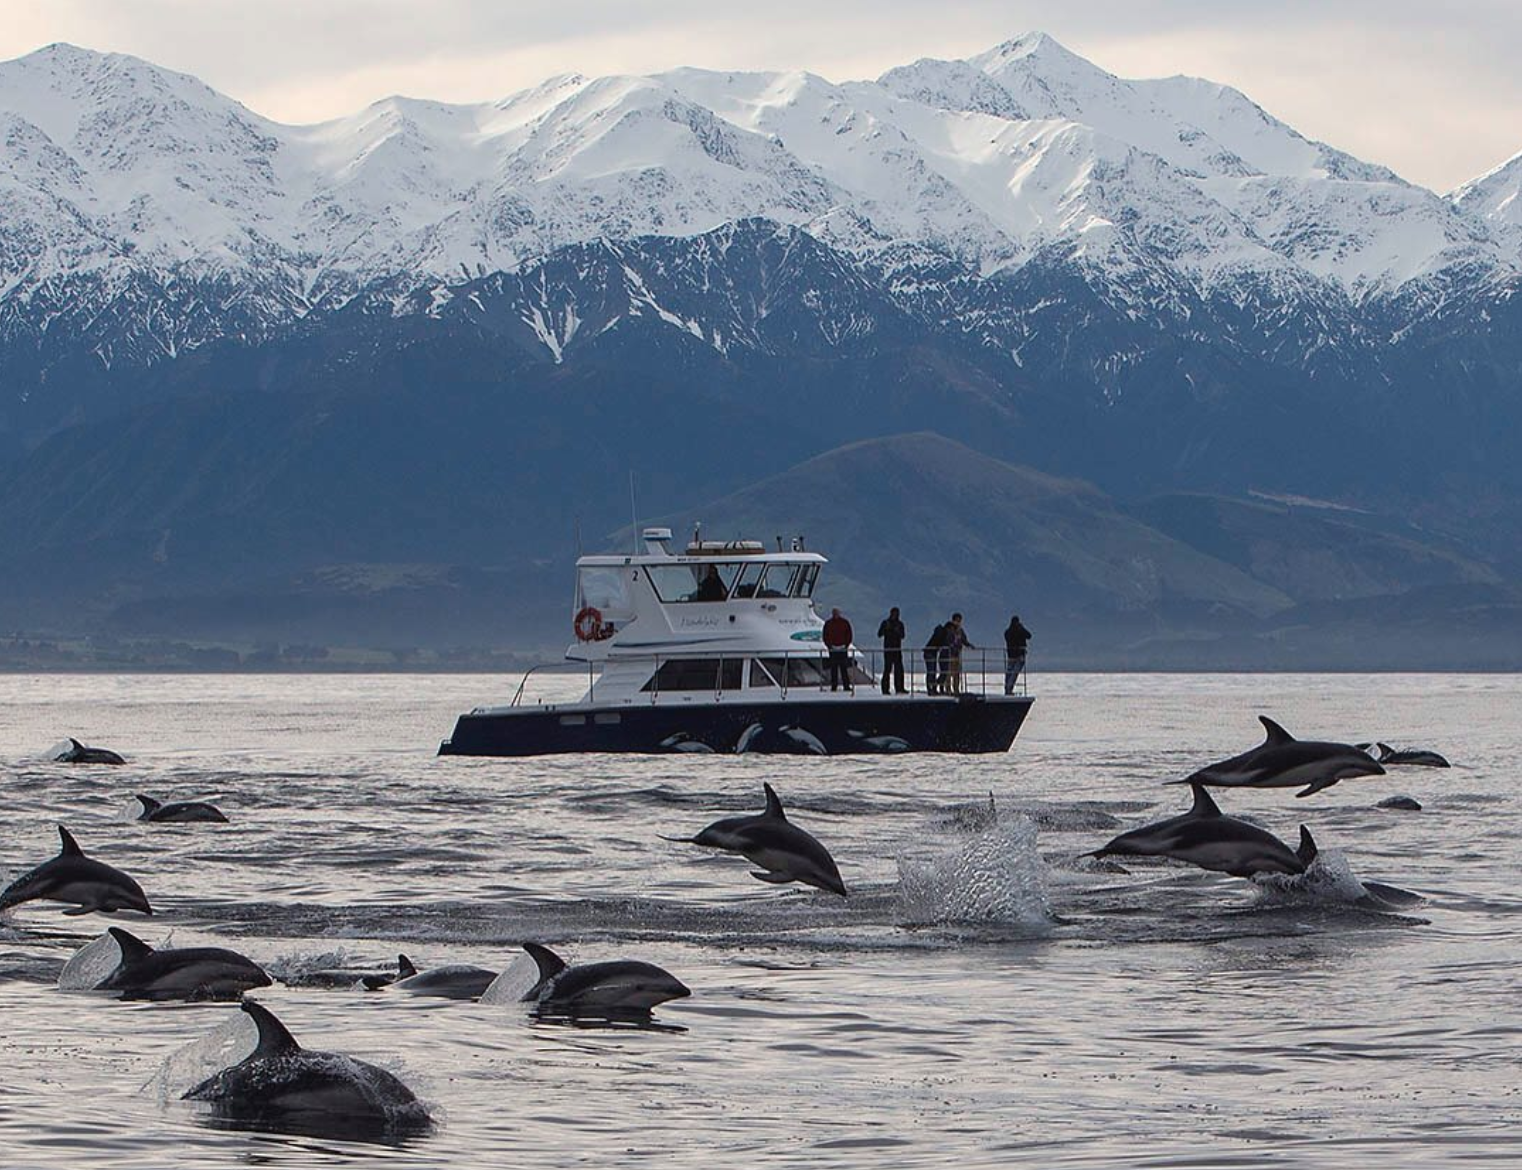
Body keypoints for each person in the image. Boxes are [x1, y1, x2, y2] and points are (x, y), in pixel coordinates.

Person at [823, 607, 854, 693]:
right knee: (834, 669)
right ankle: (834, 686)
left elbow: (849, 635)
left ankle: (846, 685)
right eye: (834, 613)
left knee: (844, 668)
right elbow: (825, 636)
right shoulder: (828, 623)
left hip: (842, 649)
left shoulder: (845, 623)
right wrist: (829, 646)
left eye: (836, 613)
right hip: (833, 649)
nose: (835, 614)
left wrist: (846, 645)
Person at [877, 607, 906, 695]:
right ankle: (885, 689)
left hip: (897, 650)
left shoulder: (900, 624)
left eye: (897, 614)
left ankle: (900, 688)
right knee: (887, 670)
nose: (895, 615)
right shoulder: (885, 623)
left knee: (899, 670)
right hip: (888, 650)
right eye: (894, 614)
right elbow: (879, 634)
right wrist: (885, 629)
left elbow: (903, 636)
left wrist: (898, 632)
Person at [943, 613, 973, 695]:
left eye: (960, 621)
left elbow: (964, 640)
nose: (959, 622)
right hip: (949, 654)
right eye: (957, 620)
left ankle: (956, 689)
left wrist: (969, 645)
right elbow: (946, 640)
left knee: (957, 673)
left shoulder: (960, 630)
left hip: (957, 654)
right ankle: (948, 689)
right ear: (953, 620)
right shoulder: (949, 629)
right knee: (948, 673)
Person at [1003, 614, 1032, 695]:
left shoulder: (1007, 632)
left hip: (1010, 655)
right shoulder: (1020, 631)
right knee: (1014, 674)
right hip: (1019, 656)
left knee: (1008, 673)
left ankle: (1006, 689)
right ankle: (1009, 689)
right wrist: (1022, 628)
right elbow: (1029, 635)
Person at [923, 621, 948, 695]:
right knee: (931, 671)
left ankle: (932, 688)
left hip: (932, 652)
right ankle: (930, 688)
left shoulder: (940, 632)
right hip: (930, 652)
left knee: (932, 671)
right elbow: (940, 642)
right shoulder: (942, 633)